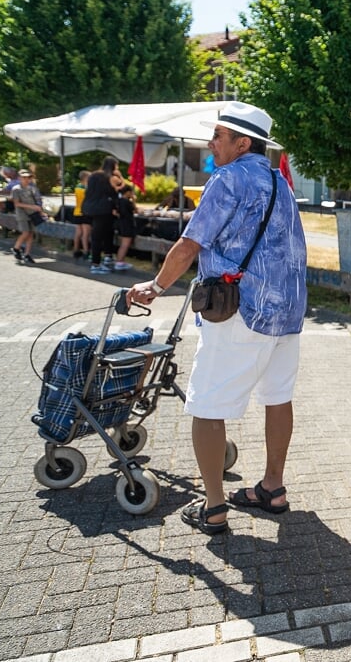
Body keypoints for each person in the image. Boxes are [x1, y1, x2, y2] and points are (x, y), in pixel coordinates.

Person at [127, 102, 306, 535]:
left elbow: (190, 244)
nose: (211, 143)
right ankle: (272, 488)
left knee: (206, 404)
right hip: (287, 310)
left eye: (219, 136)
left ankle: (213, 507)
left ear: (242, 143)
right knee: (278, 397)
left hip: (239, 308)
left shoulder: (227, 179)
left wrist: (156, 286)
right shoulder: (280, 182)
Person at [81, 157, 120, 274]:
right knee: (100, 236)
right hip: (103, 209)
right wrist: (119, 175)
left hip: (89, 207)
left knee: (102, 233)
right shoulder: (110, 178)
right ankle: (96, 264)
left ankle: (105, 258)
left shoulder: (93, 175)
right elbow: (120, 187)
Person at [10, 169, 46, 263]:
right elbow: (17, 204)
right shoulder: (16, 189)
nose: (26, 179)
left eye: (28, 177)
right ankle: (16, 248)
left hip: (32, 213)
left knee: (31, 234)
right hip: (22, 214)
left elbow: (36, 200)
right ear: (19, 178)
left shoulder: (31, 188)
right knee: (25, 232)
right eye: (24, 177)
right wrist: (31, 206)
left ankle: (27, 254)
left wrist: (40, 210)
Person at [111, 180, 138, 271]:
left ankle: (120, 261)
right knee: (125, 245)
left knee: (123, 243)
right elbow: (135, 210)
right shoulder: (127, 202)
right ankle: (119, 262)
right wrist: (134, 201)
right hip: (127, 224)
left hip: (121, 224)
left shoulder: (118, 201)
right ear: (128, 192)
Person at [71, 170, 92, 260]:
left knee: (78, 233)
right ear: (85, 178)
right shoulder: (86, 189)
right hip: (85, 212)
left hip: (77, 212)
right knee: (85, 234)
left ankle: (76, 250)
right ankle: (86, 252)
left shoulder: (77, 188)